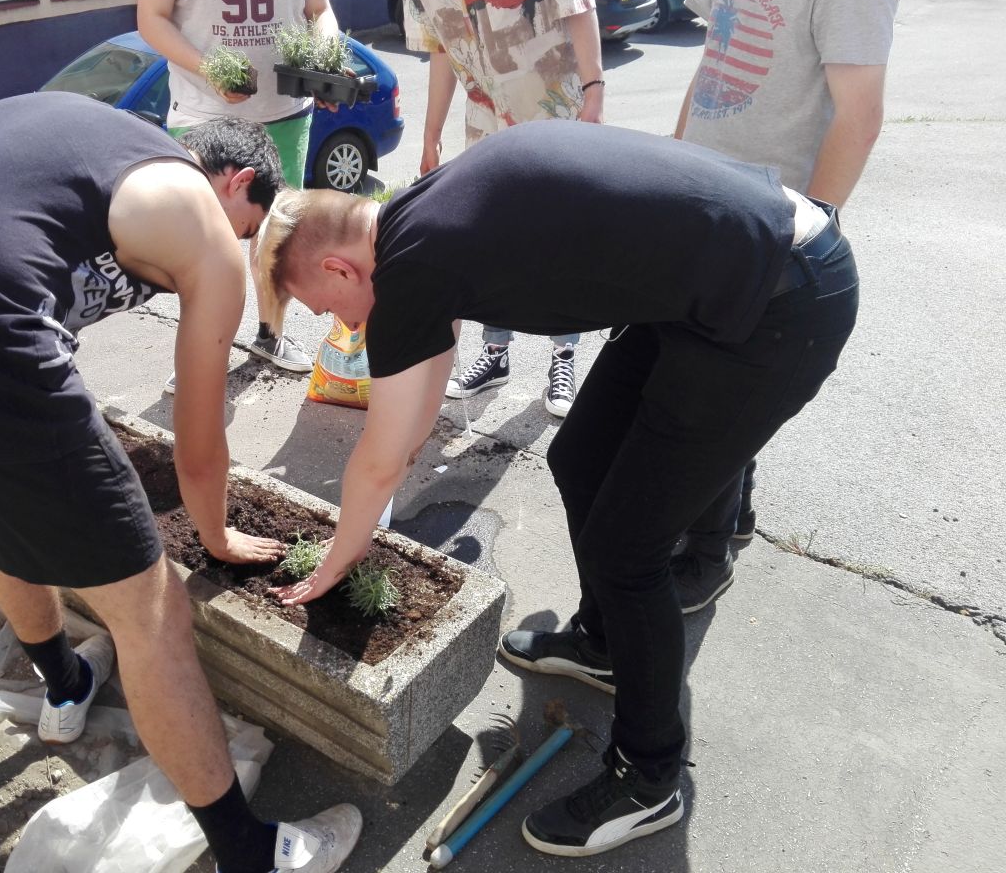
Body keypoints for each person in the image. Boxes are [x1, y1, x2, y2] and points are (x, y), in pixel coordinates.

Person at [254, 120, 858, 857]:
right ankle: (604, 645)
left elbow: (379, 460)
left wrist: (337, 561)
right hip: (717, 281)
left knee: (627, 550)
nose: (335, 324)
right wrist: (391, 471)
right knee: (579, 457)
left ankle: (648, 777)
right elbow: (418, 398)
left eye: (321, 305)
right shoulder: (414, 222)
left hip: (780, 301)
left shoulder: (412, 265)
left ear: (341, 268)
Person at [0, 92, 361, 873]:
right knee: (151, 609)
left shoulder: (96, 148)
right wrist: (216, 538)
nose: (238, 250)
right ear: (235, 183)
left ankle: (65, 688)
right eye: (247, 232)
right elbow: (199, 446)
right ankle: (251, 853)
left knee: (1, 505)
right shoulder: (197, 217)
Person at [670, 0, 901, 612]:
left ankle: (705, 556)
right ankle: (734, 515)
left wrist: (806, 236)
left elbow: (860, 115)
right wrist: (673, 168)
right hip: (702, 206)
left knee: (709, 394)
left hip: (770, 223)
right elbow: (711, 64)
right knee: (709, 376)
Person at [397, 0, 606, 418]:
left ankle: (563, 356)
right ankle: (495, 353)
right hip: (484, 121)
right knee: (489, 239)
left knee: (558, 241)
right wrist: (430, 134)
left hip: (554, 107)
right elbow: (442, 43)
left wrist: (594, 91)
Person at [137, 0, 342, 383]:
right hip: (204, 117)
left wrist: (324, 63)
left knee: (275, 233)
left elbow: (319, 9)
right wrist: (209, 68)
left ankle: (271, 334)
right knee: (201, 240)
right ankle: (199, 351)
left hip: (285, 112)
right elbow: (151, 18)